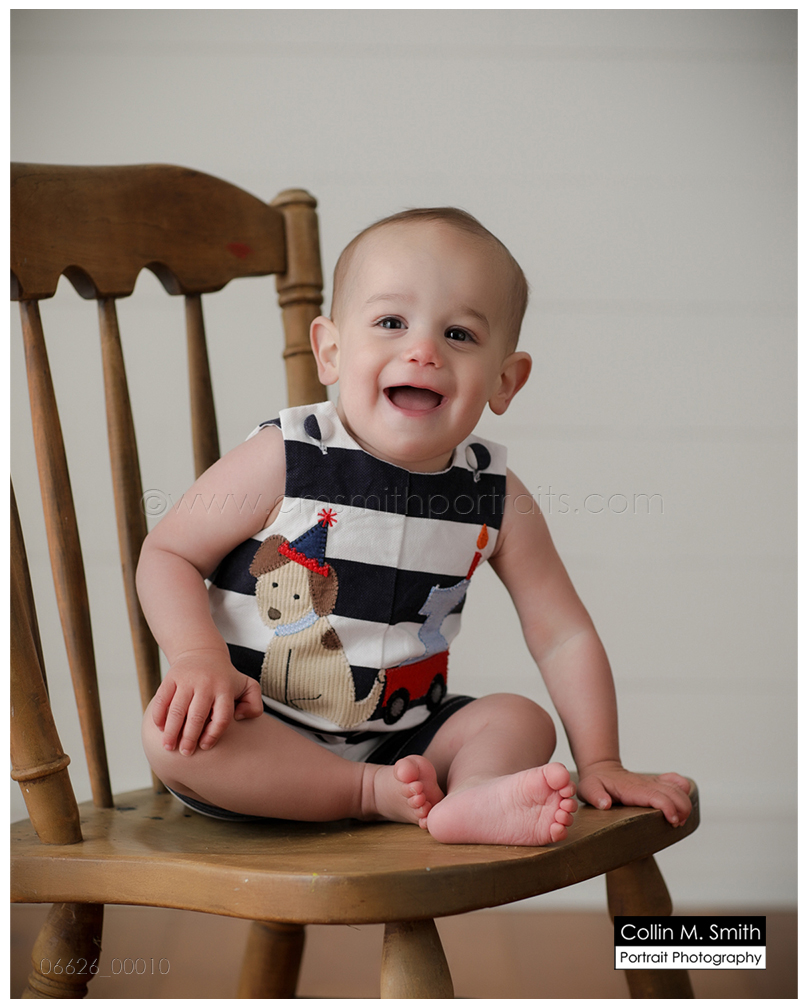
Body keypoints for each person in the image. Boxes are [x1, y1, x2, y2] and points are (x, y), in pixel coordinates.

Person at [138, 207, 692, 846]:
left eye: (459, 334)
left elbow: (563, 634)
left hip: (407, 739)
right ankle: (366, 794)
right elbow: (169, 554)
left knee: (521, 719)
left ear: (504, 381)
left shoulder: (493, 494)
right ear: (331, 351)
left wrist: (600, 761)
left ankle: (474, 795)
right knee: (171, 740)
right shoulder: (288, 457)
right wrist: (198, 658)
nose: (423, 350)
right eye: (391, 323)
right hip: (260, 729)